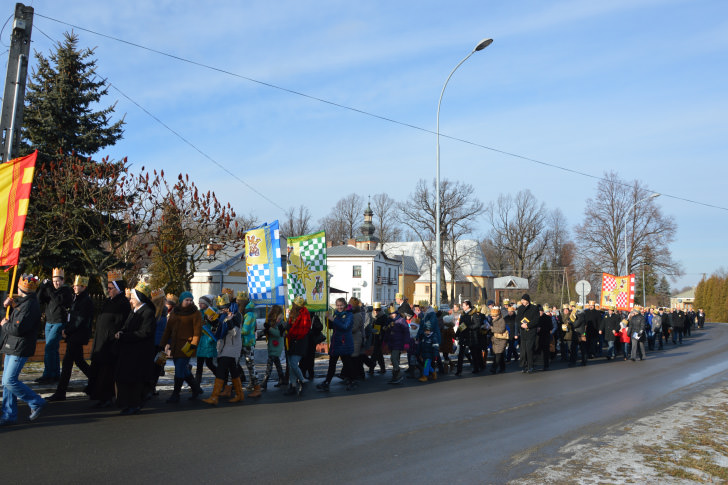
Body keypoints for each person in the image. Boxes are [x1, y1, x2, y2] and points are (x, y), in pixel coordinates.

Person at [1, 274, 46, 425]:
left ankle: (36, 401)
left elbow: (18, 328)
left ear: (22, 289)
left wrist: (4, 324)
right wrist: (7, 305)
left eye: (18, 289)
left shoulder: (29, 306)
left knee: (9, 380)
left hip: (20, 347)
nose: (16, 291)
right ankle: (9, 414)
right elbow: (18, 311)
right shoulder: (25, 302)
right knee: (6, 382)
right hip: (13, 345)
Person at [88, 270, 131, 408]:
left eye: (111, 288)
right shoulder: (108, 301)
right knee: (99, 370)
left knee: (107, 373)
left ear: (118, 289)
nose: (108, 290)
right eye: (108, 287)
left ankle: (107, 397)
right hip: (101, 341)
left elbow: (122, 323)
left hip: (111, 343)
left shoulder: (123, 303)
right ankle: (98, 395)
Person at [48, 275, 94, 402]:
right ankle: (96, 382)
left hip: (77, 336)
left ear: (83, 287)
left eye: (77, 285)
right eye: (74, 285)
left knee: (68, 363)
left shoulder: (85, 301)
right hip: (74, 335)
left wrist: (67, 331)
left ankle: (61, 392)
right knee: (79, 361)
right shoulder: (77, 298)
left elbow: (80, 320)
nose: (74, 287)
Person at [114, 282, 156, 415]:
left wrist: (125, 336)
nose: (130, 299)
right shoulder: (134, 311)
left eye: (132, 297)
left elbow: (145, 333)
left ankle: (135, 404)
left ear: (139, 298)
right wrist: (121, 332)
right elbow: (126, 326)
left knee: (135, 380)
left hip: (139, 352)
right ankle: (126, 403)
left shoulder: (147, 312)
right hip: (128, 351)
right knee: (125, 378)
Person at [159, 291, 203, 403]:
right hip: (175, 345)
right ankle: (196, 388)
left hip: (188, 345)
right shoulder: (175, 312)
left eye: (191, 300)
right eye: (187, 300)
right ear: (181, 300)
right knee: (182, 368)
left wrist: (194, 344)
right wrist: (162, 344)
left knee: (179, 368)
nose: (189, 302)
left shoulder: (195, 313)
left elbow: (197, 330)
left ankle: (176, 394)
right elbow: (168, 329)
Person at [202, 294, 245, 405]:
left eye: (225, 308)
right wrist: (211, 320)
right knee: (233, 371)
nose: (223, 311)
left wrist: (229, 320)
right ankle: (240, 395)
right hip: (225, 346)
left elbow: (235, 332)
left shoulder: (236, 315)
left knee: (221, 369)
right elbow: (220, 325)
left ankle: (214, 397)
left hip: (232, 347)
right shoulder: (224, 315)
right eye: (221, 309)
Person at [36, 268, 72, 384]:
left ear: (62, 281)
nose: (56, 283)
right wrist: (42, 287)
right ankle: (55, 373)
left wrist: (49, 288)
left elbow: (57, 300)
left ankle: (48, 374)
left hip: (59, 321)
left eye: (58, 281)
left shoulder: (65, 291)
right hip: (49, 322)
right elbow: (39, 299)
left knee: (49, 347)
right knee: (53, 349)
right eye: (54, 281)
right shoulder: (50, 290)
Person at [317, 297, 353, 392]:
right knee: (332, 364)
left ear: (345, 305)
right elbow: (331, 327)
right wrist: (327, 318)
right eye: (337, 305)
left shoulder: (349, 315)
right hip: (336, 343)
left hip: (344, 343)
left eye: (341, 305)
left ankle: (350, 381)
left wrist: (333, 319)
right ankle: (327, 382)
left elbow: (345, 326)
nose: (339, 307)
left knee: (347, 364)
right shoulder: (336, 314)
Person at [285, 296, 311, 396]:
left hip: (300, 341)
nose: (294, 306)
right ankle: (293, 385)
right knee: (291, 365)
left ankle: (302, 380)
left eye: (295, 305)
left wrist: (290, 330)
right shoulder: (292, 313)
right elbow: (291, 326)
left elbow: (304, 329)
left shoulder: (305, 314)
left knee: (293, 363)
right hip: (292, 340)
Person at [195, 295, 218, 386]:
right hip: (200, 341)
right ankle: (196, 383)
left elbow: (216, 325)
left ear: (207, 304)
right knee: (199, 363)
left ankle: (220, 377)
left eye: (202, 303)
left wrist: (210, 321)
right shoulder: (198, 313)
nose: (200, 304)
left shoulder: (211, 311)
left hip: (208, 340)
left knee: (209, 363)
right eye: (199, 303)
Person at [261, 305, 285, 391]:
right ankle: (282, 378)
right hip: (273, 344)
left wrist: (269, 328)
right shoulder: (273, 320)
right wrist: (265, 330)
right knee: (277, 362)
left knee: (270, 363)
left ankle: (265, 381)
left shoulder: (280, 321)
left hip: (276, 344)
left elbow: (278, 334)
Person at [241, 300, 262, 397]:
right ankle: (252, 384)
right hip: (247, 342)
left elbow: (245, 330)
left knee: (251, 365)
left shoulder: (249, 315)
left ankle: (257, 387)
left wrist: (236, 330)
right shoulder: (249, 313)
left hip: (247, 343)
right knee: (249, 364)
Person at [384, 304, 409, 384]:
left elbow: (406, 332)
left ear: (396, 313)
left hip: (398, 342)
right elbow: (387, 332)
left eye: (393, 313)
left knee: (394, 358)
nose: (391, 315)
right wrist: (385, 340)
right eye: (390, 314)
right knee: (395, 359)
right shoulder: (390, 321)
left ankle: (397, 374)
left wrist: (406, 343)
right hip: (392, 342)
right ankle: (395, 376)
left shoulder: (401, 321)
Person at [517, 294, 539, 373]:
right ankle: (524, 366)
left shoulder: (534, 308)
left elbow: (536, 320)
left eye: (524, 300)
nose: (522, 301)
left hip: (531, 331)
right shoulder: (520, 308)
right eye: (522, 300)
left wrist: (528, 325)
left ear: (527, 300)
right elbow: (517, 319)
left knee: (529, 349)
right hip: (523, 332)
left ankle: (530, 366)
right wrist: (521, 325)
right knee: (523, 350)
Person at [369, 302, 388, 374]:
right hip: (373, 336)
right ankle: (382, 368)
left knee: (375, 353)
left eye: (378, 310)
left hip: (380, 337)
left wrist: (383, 329)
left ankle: (371, 368)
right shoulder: (371, 316)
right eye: (375, 310)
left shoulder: (383, 316)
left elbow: (385, 326)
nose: (376, 311)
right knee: (378, 353)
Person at [490, 306, 508, 374]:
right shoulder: (494, 320)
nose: (492, 317)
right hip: (496, 339)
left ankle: (494, 367)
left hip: (501, 339)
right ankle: (502, 367)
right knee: (500, 354)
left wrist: (491, 328)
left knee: (498, 354)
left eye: (494, 316)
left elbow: (501, 330)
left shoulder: (501, 320)